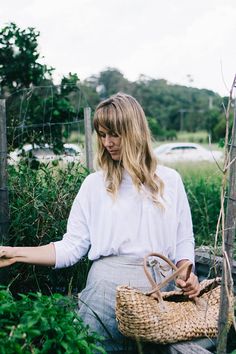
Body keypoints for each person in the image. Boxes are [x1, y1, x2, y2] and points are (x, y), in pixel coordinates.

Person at [0, 92, 200, 352]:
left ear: (134, 131)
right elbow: (71, 247)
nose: (107, 143)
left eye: (114, 134)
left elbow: (184, 239)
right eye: (102, 135)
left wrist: (187, 273)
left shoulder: (170, 181)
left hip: (160, 294)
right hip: (105, 294)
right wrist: (15, 253)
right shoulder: (94, 185)